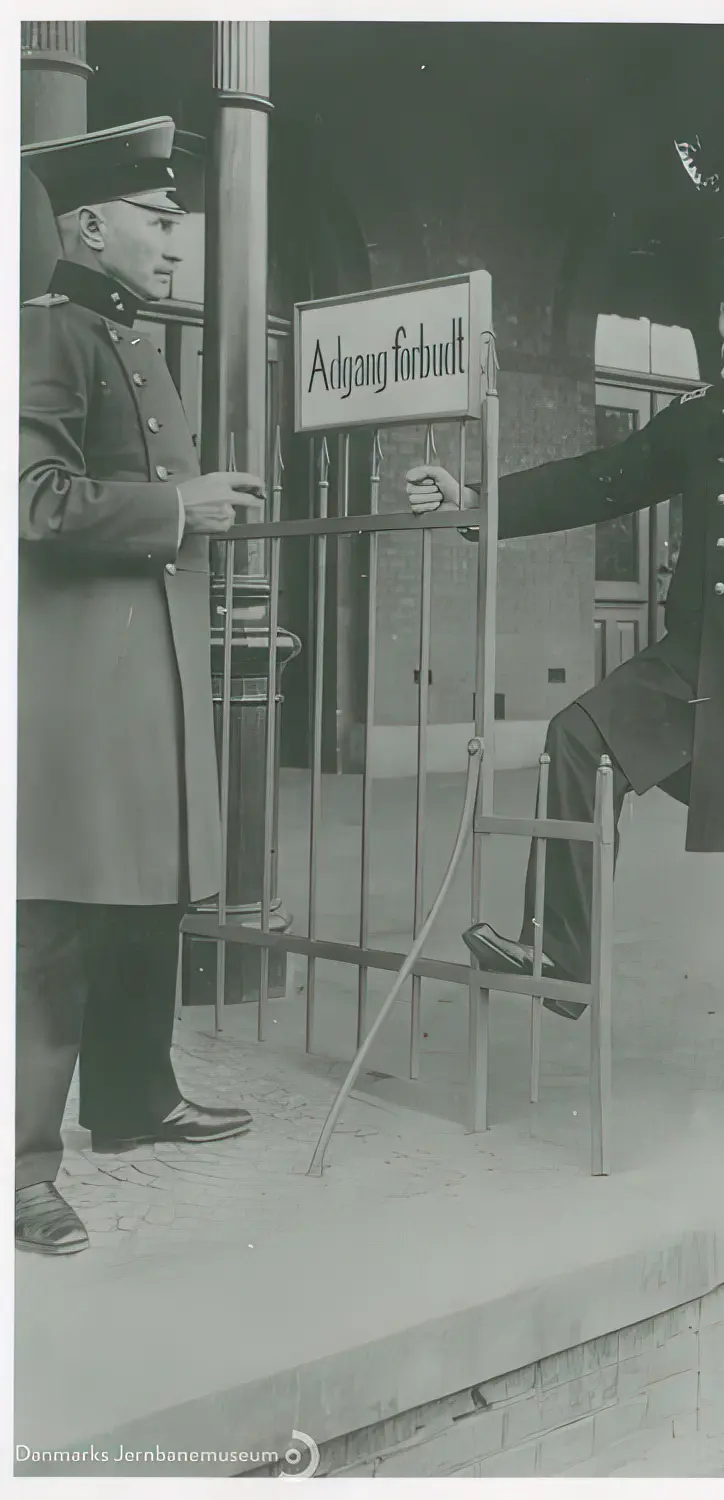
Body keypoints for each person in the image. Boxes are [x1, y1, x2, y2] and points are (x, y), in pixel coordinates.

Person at [406, 234, 724, 1122]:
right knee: (578, 736)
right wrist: (476, 502)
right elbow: (600, 481)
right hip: (705, 659)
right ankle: (557, 954)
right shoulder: (704, 417)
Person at [17, 118, 265, 1255]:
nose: (176, 242)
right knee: (62, 922)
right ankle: (24, 1170)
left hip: (139, 674)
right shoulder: (47, 335)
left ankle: (133, 1099)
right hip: (75, 679)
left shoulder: (125, 332)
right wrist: (180, 510)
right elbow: (33, 503)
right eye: (157, 222)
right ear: (87, 226)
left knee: (145, 899)